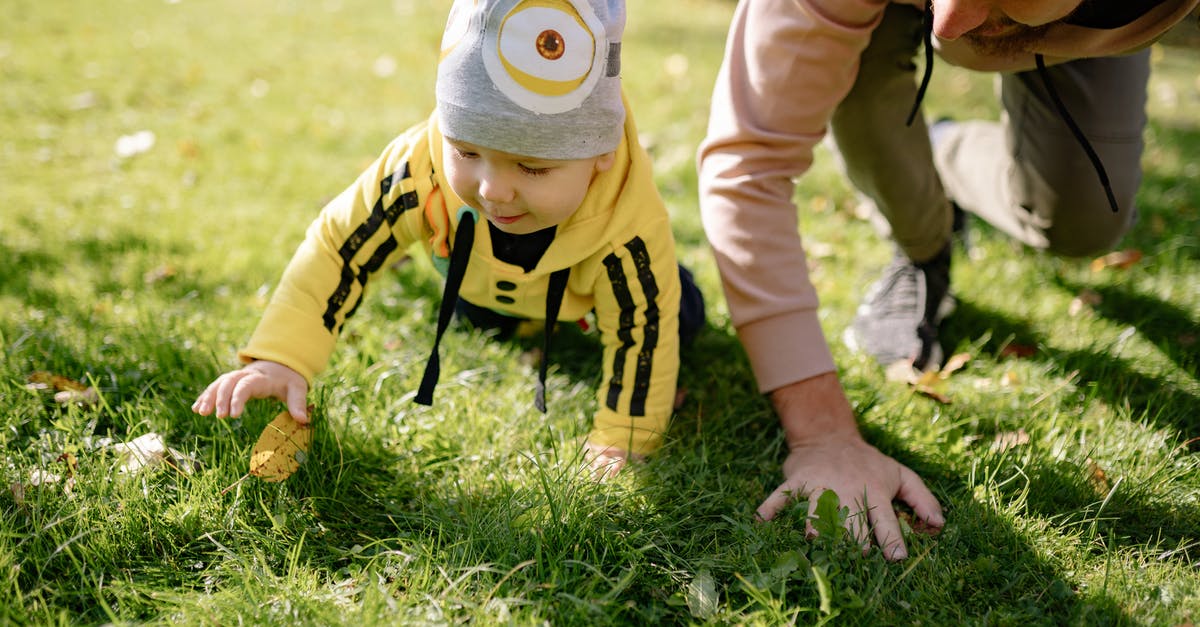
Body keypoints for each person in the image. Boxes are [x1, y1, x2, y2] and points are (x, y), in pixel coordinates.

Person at [698, 0, 1198, 559]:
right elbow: (750, 163)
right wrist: (823, 436)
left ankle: (938, 150)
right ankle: (923, 240)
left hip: (1080, 28)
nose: (948, 27)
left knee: (1081, 222)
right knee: (860, 88)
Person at [193, 0, 705, 478]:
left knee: (677, 312)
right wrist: (283, 355)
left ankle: (608, 336)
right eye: (466, 152)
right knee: (479, 315)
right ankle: (507, 317)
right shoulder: (419, 169)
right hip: (481, 280)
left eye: (532, 167)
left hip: (588, 295)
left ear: (602, 153)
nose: (492, 189)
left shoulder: (628, 230)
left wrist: (622, 439)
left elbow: (645, 327)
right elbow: (339, 247)